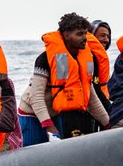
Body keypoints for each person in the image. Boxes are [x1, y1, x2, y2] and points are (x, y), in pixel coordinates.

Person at [18, 12, 109, 145]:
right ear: (66, 35)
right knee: (33, 155)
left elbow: (91, 98)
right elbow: (35, 97)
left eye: (85, 33)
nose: (85, 38)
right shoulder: (45, 59)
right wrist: (48, 124)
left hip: (54, 114)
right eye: (79, 34)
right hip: (31, 114)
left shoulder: (84, 60)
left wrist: (107, 123)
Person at [88, 20, 113, 101]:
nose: (106, 40)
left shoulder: (101, 57)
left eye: (108, 36)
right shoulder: (88, 58)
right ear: (92, 35)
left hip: (102, 101)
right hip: (95, 105)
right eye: (102, 35)